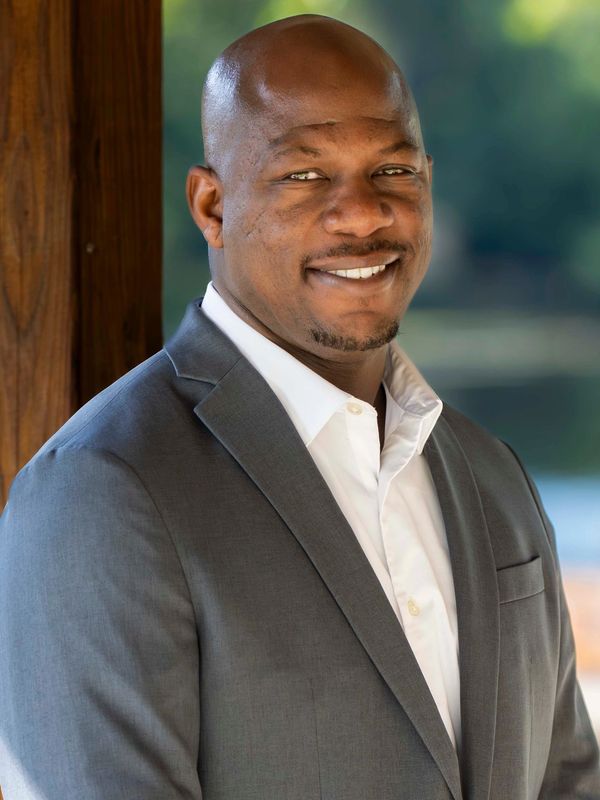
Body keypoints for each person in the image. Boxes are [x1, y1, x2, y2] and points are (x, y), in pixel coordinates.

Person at [0, 13, 598, 800]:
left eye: (393, 172)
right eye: (303, 175)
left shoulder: (494, 476)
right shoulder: (99, 490)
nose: (362, 213)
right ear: (212, 206)